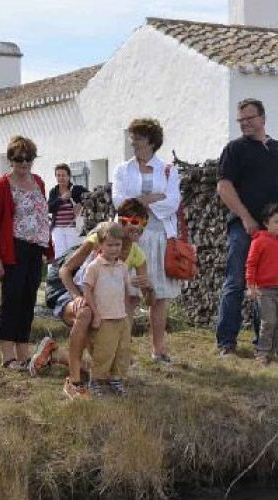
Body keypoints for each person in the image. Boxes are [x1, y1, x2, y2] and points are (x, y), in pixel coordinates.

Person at [215, 98, 278, 356]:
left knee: (269, 285)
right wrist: (246, 218)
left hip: (274, 231)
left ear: (262, 118)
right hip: (244, 229)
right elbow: (223, 187)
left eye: (249, 118)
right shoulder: (234, 150)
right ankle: (226, 342)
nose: (245, 124)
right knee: (236, 282)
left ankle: (264, 344)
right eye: (240, 120)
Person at [46, 200, 151, 398]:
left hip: (99, 295)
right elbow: (65, 270)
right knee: (85, 314)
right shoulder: (99, 239)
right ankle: (74, 381)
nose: (137, 229)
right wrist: (76, 297)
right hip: (65, 286)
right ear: (121, 221)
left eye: (142, 225)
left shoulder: (137, 254)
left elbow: (138, 298)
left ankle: (54, 354)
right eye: (133, 223)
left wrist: (147, 289)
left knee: (109, 341)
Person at [112, 118, 182, 364]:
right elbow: (119, 201)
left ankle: (159, 348)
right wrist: (151, 198)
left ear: (151, 142)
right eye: (132, 140)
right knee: (129, 294)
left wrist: (142, 199)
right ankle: (122, 350)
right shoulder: (122, 169)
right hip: (130, 238)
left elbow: (173, 202)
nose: (134, 145)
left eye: (139, 140)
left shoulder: (168, 170)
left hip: (159, 236)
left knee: (158, 295)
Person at [0, 135, 53, 370]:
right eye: (19, 159)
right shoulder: (1, 186)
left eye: (29, 159)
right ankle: (7, 356)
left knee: (28, 300)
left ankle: (23, 353)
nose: (24, 164)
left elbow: (42, 216)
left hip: (35, 249)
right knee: (11, 301)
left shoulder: (39, 182)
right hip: (13, 249)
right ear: (10, 160)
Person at [82, 222, 134, 396]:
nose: (114, 249)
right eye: (109, 245)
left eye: (117, 245)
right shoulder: (94, 267)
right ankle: (95, 380)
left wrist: (126, 314)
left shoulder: (122, 267)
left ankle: (116, 378)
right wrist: (96, 315)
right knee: (103, 351)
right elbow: (87, 291)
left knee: (122, 350)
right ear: (100, 245)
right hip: (104, 318)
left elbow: (125, 291)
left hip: (121, 317)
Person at [246, 204, 278, 364]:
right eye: (276, 222)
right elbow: (251, 264)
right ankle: (262, 352)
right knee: (268, 323)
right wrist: (251, 286)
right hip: (264, 290)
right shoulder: (259, 241)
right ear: (266, 223)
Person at [48, 163, 87, 260]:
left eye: (63, 175)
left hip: (73, 228)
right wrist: (61, 199)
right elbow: (49, 208)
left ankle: (71, 274)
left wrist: (81, 205)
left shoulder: (77, 189)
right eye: (58, 175)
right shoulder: (54, 191)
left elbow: (90, 198)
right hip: (58, 229)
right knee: (59, 255)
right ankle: (60, 274)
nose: (61, 178)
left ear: (69, 176)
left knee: (73, 255)